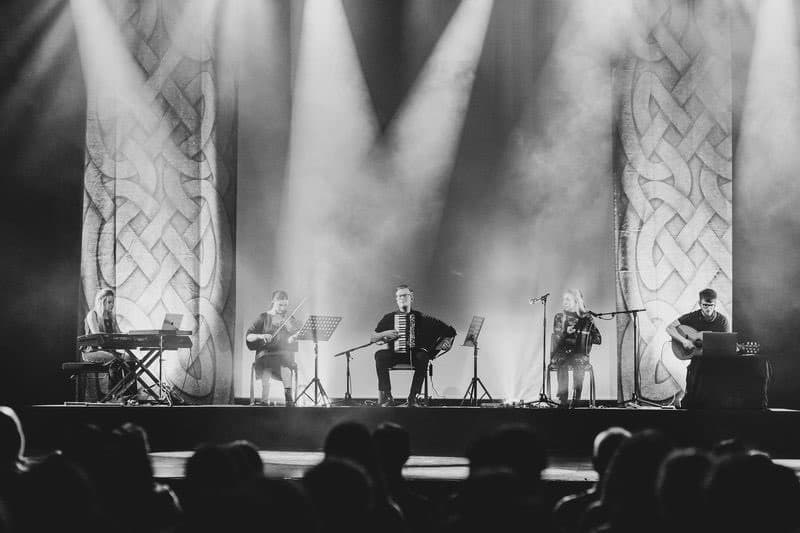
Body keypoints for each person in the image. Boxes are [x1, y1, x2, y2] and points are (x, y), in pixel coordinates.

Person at [372, 285, 456, 407]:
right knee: (380, 355)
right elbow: (373, 337)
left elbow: (448, 332)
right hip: (395, 354)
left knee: (423, 356)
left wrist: (446, 343)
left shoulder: (420, 317)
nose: (402, 298)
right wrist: (386, 333)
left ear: (411, 298)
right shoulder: (389, 317)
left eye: (405, 295)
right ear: (396, 299)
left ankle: (413, 397)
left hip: (414, 354)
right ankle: (387, 396)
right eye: (399, 296)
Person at [665, 288, 729, 406]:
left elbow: (725, 344)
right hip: (698, 359)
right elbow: (669, 328)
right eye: (705, 305)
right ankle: (689, 403)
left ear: (715, 305)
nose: (708, 308)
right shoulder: (692, 317)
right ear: (700, 304)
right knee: (695, 368)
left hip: (715, 360)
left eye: (711, 305)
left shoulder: (722, 321)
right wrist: (684, 340)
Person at [246, 290, 301, 406]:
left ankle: (288, 398)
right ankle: (264, 400)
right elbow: (249, 337)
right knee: (268, 363)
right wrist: (261, 335)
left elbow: (292, 338)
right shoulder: (263, 317)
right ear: (273, 302)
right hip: (266, 355)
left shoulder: (289, 319)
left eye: (285, 305)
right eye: (280, 305)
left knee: (286, 364)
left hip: (283, 355)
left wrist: (292, 338)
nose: (283, 308)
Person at [82, 288, 137, 399]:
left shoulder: (111, 317)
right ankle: (114, 395)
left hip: (107, 351)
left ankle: (130, 394)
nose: (112, 305)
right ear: (101, 302)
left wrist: (129, 335)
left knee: (131, 359)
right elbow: (98, 338)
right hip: (92, 351)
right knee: (115, 359)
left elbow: (119, 333)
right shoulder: (92, 315)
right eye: (109, 302)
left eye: (113, 302)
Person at [551, 289, 601, 407]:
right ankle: (563, 400)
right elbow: (557, 339)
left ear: (576, 301)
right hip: (562, 352)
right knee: (562, 361)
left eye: (567, 299)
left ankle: (575, 400)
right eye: (563, 299)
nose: (564, 302)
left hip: (579, 354)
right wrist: (566, 333)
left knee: (579, 362)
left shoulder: (587, 319)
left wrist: (585, 334)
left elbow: (598, 339)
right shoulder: (559, 317)